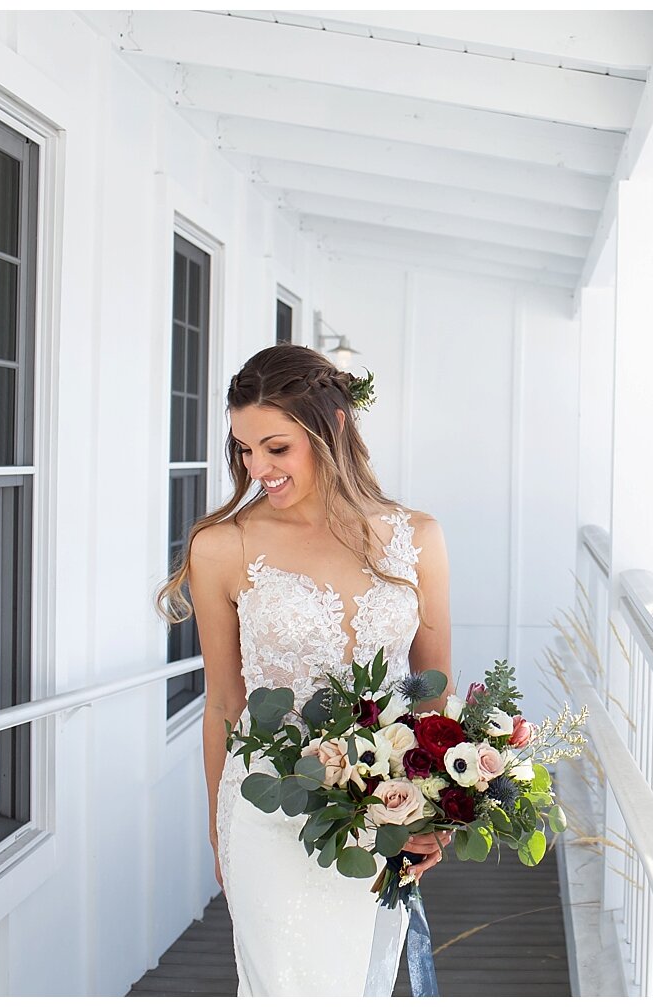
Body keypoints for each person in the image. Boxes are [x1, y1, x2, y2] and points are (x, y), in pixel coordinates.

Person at [156, 344, 453, 995]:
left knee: (358, 983)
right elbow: (224, 704)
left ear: (334, 427)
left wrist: (428, 807)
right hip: (266, 810)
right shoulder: (222, 546)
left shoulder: (418, 538)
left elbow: (432, 693)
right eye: (242, 449)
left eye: (275, 447)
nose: (256, 466)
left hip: (380, 810)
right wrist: (218, 827)